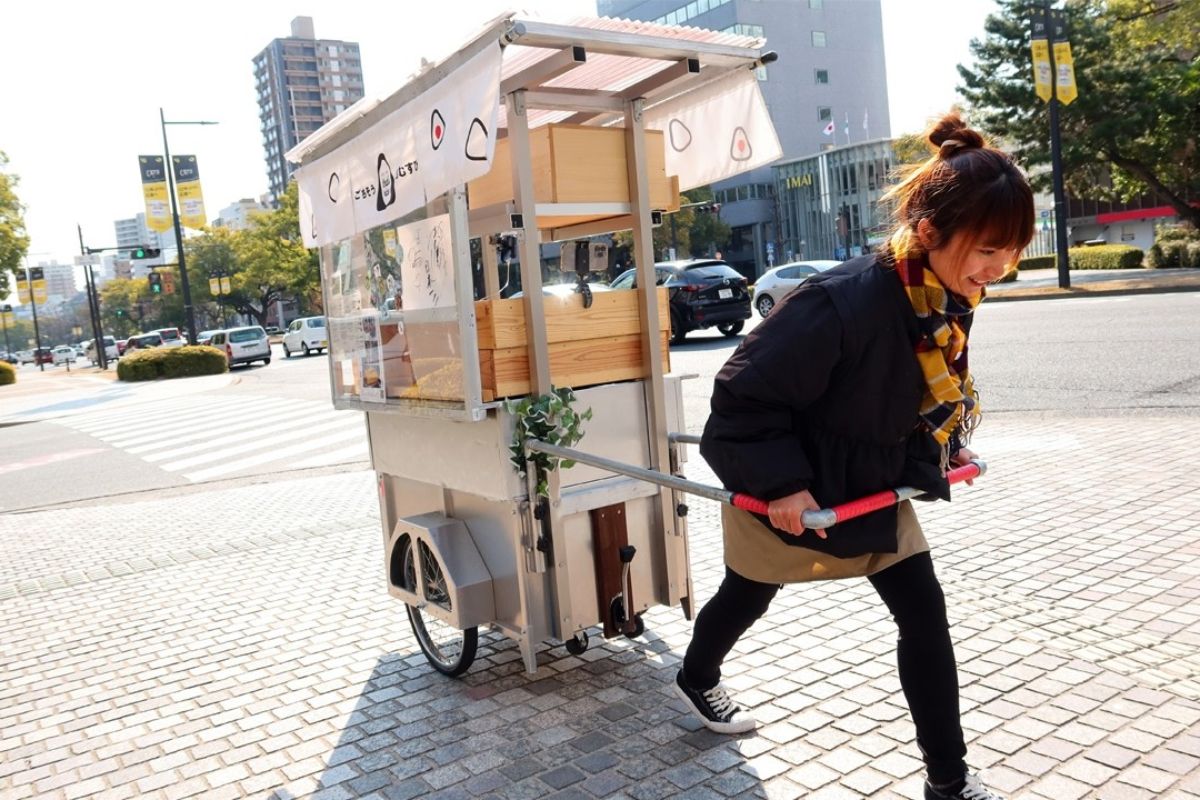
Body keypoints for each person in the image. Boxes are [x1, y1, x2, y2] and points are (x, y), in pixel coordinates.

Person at [674, 112, 1033, 800]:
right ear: (929, 234)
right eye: (989, 251)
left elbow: (921, 387)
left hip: (872, 486)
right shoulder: (838, 303)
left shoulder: (944, 294)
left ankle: (949, 782)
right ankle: (696, 676)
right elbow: (740, 400)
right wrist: (782, 485)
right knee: (748, 594)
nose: (1000, 269)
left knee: (924, 614)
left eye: (1010, 252)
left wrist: (947, 443)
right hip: (798, 488)